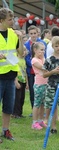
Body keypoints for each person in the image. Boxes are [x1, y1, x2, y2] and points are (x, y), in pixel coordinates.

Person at [0, 8, 24, 141]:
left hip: (11, 76)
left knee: (8, 106)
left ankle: (5, 130)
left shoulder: (13, 34)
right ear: (1, 20)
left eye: (13, 19)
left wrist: (20, 38)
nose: (12, 21)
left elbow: (20, 53)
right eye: (10, 19)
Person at [24, 25, 47, 117]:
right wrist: (33, 64)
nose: (33, 35)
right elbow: (26, 58)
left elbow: (44, 56)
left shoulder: (42, 43)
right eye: (31, 33)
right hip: (32, 70)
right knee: (33, 92)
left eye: (35, 33)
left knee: (43, 94)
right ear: (29, 34)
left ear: (38, 33)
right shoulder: (26, 44)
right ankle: (33, 110)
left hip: (42, 73)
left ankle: (41, 112)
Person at [31, 42, 48, 130]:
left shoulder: (42, 58)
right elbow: (44, 67)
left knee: (42, 104)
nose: (43, 52)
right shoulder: (34, 60)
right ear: (35, 50)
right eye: (41, 50)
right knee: (37, 103)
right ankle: (34, 122)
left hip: (45, 84)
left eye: (44, 50)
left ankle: (41, 120)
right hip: (39, 84)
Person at [12, 48, 28, 118]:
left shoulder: (23, 60)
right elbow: (14, 71)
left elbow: (25, 71)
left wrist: (27, 82)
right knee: (17, 98)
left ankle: (20, 113)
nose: (23, 52)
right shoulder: (16, 60)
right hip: (18, 80)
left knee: (22, 97)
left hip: (23, 80)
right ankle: (15, 113)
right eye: (22, 50)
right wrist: (16, 81)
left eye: (24, 51)